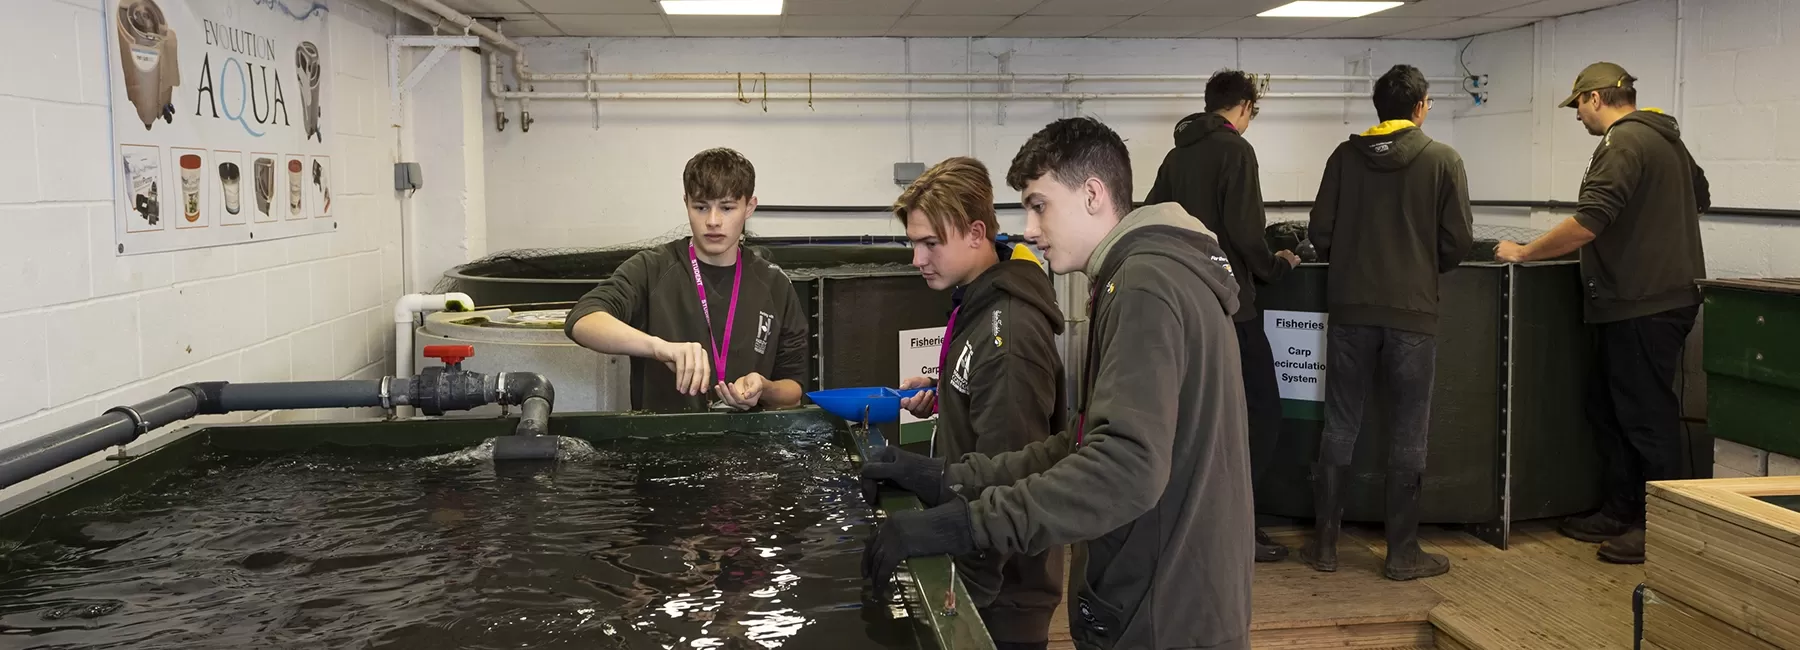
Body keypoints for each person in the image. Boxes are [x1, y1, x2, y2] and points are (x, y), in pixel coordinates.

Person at [861, 117, 1253, 650]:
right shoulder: (1146, 276)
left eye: (1039, 204)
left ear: (1092, 194)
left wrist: (969, 526)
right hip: (1168, 599)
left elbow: (1125, 467)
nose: (1027, 228)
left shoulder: (1145, 284)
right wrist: (946, 478)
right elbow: (1083, 444)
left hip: (1163, 615)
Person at [1495, 62, 1709, 565]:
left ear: (1596, 98)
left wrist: (1524, 253)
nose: (1577, 119)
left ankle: (1660, 527)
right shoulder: (1668, 139)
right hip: (1645, 299)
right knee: (1610, 406)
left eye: (1578, 108)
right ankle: (1622, 508)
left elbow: (1589, 221)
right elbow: (1700, 197)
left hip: (1643, 302)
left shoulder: (1624, 142)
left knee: (1644, 417)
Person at [889, 156, 1066, 650]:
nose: (917, 259)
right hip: (980, 570)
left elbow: (1013, 473)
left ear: (975, 232)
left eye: (930, 244)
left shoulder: (1007, 330)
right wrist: (947, 387)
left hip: (1000, 593)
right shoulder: (978, 305)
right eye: (913, 244)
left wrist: (962, 590)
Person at [1303, 64, 1473, 581]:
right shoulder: (1444, 160)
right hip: (1413, 313)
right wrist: (1421, 266)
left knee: (1340, 425)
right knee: (1408, 432)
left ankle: (1325, 548)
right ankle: (1402, 554)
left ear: (1378, 109)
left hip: (1351, 310)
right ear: (1421, 107)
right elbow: (1458, 242)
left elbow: (1320, 232)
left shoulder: (1342, 157)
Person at [1145, 68, 1302, 563]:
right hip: (1232, 309)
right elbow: (1244, 232)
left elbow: (1153, 215)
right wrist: (1276, 264)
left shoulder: (1176, 156)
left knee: (1194, 418)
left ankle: (1191, 523)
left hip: (1183, 308)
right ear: (1245, 108)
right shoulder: (1237, 152)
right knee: (1262, 413)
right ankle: (1238, 526)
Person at [564, 147, 809, 413]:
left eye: (727, 208)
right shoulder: (652, 268)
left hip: (748, 447)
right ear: (686, 203)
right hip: (665, 445)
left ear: (749, 207)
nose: (713, 221)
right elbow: (582, 319)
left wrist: (764, 388)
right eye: (701, 207)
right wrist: (660, 349)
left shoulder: (774, 283)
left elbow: (794, 391)